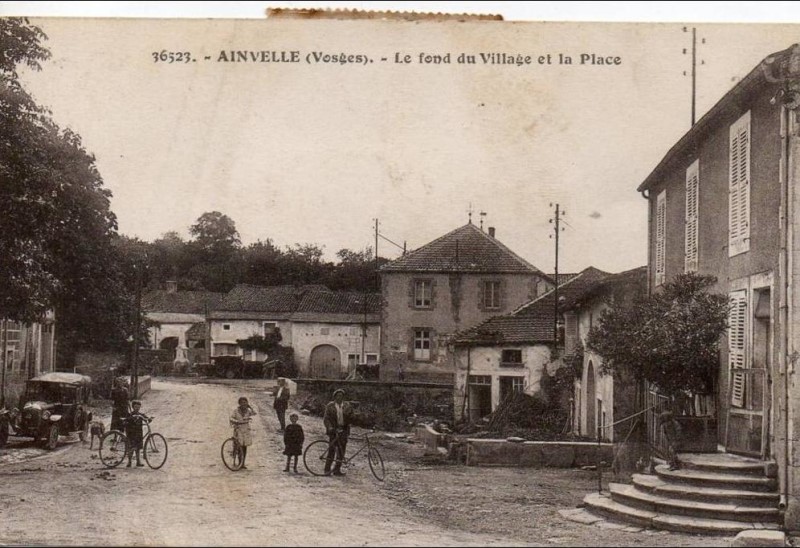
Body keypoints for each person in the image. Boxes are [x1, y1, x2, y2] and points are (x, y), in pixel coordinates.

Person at [323, 388, 354, 476]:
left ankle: (337, 470)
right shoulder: (330, 406)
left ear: (343, 397)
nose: (339, 397)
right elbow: (326, 418)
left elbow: (352, 416)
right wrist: (330, 427)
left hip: (344, 430)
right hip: (334, 430)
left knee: (341, 450)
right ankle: (327, 470)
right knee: (332, 450)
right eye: (337, 396)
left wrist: (353, 418)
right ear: (335, 397)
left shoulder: (347, 406)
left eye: (341, 396)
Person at [230, 396, 257, 469]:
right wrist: (237, 421)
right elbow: (231, 418)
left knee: (245, 447)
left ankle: (243, 463)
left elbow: (255, 413)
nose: (244, 404)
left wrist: (250, 407)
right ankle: (239, 462)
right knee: (239, 446)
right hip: (238, 430)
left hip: (246, 430)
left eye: (245, 402)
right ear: (239, 403)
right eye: (242, 402)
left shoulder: (248, 411)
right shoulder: (236, 411)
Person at [125, 400, 151, 468]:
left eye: (138, 407)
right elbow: (127, 420)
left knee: (138, 448)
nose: (137, 408)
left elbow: (145, 418)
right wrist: (132, 417)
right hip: (131, 433)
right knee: (131, 447)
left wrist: (149, 419)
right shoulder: (130, 414)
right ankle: (129, 461)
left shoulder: (140, 414)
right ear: (133, 407)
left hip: (138, 433)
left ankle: (138, 462)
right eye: (136, 407)